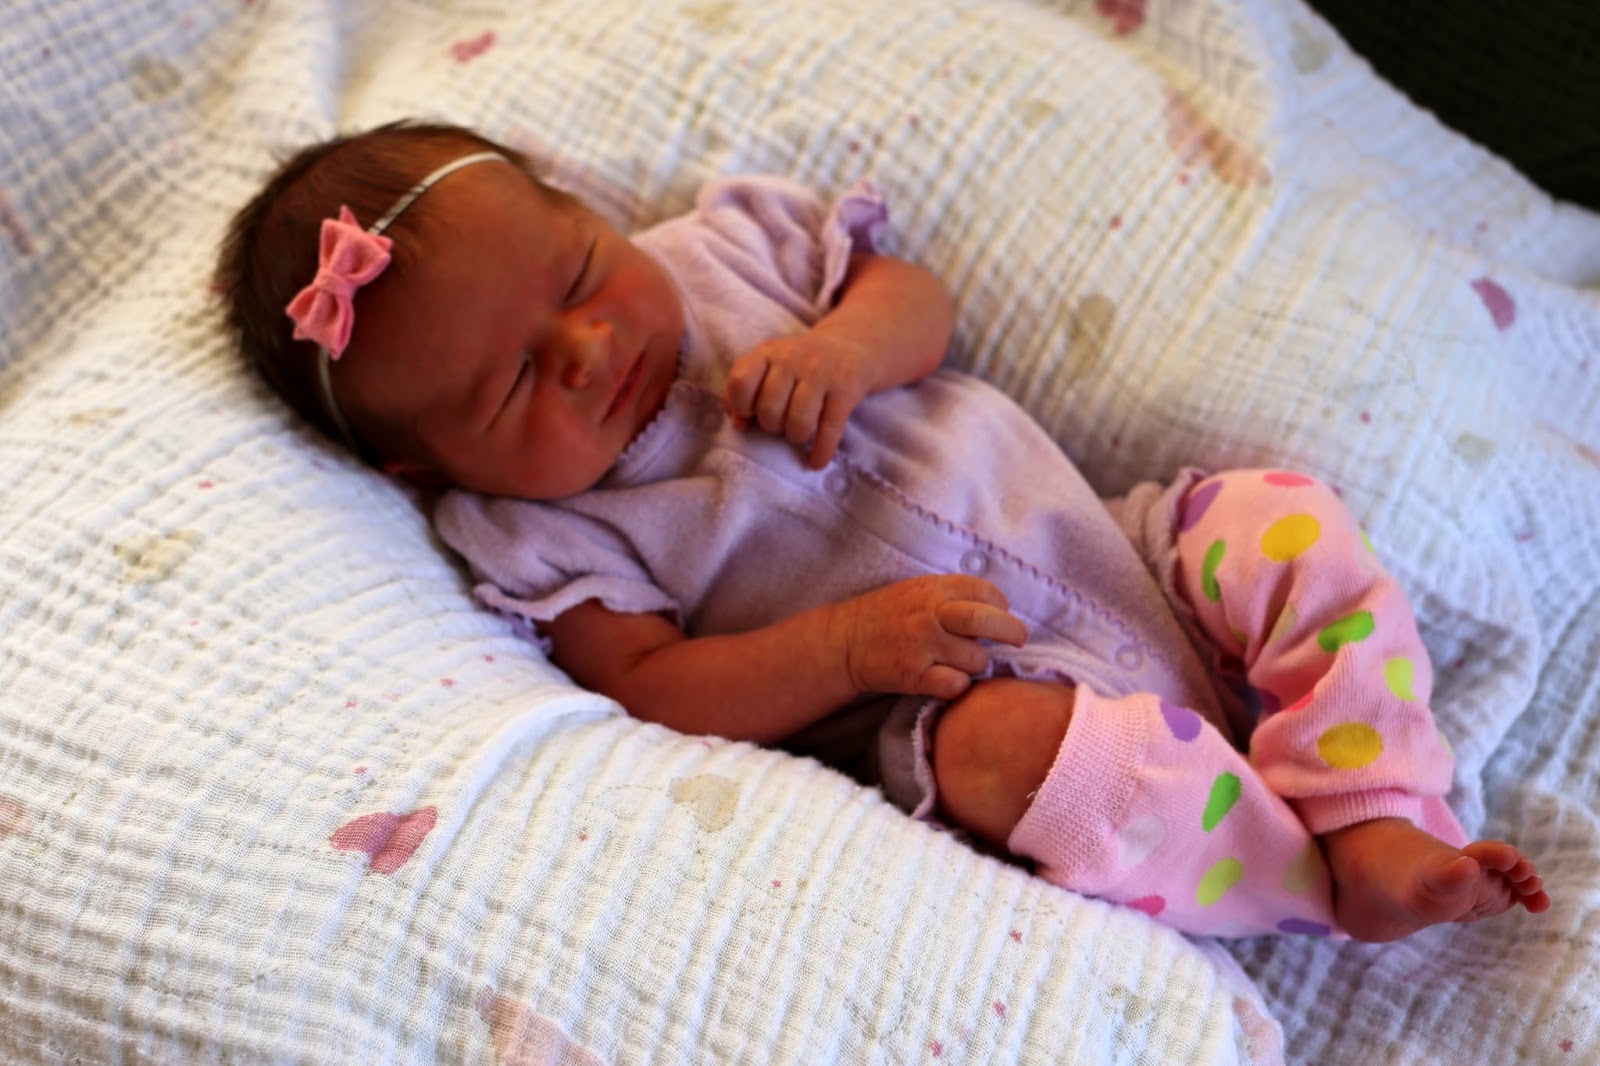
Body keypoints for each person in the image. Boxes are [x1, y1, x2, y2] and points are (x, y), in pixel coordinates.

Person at [216, 120, 1549, 940]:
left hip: (1131, 549)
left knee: (1276, 518)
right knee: (1001, 756)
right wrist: (846, 650)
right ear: (420, 461)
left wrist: (849, 346)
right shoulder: (533, 534)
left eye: (576, 271)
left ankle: (1374, 803)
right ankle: (1304, 882)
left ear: (583, 209)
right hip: (986, 696)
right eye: (512, 382)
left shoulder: (725, 255)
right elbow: (658, 688)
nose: (586, 344)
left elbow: (916, 296)